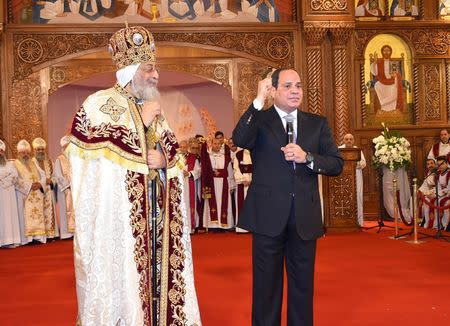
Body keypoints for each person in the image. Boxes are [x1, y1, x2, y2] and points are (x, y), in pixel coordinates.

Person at [65, 25, 201, 325]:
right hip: (122, 225)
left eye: (156, 69)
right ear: (129, 69)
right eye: (149, 69)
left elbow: (177, 159)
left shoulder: (154, 107)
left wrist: (164, 160)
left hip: (158, 221)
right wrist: (138, 125)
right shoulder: (98, 105)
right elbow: (86, 158)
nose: (156, 76)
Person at [232, 68, 343, 326]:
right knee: (266, 289)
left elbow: (336, 164)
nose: (295, 91)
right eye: (288, 86)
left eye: (299, 86)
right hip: (267, 216)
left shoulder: (317, 124)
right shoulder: (260, 119)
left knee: (302, 288)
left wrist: (309, 158)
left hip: (304, 217)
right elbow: (239, 138)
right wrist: (258, 101)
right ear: (273, 90)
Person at [14, 139, 48, 244]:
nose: (25, 155)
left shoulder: (33, 162)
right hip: (24, 195)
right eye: (23, 152)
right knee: (25, 216)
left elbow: (43, 174)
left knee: (37, 215)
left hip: (37, 192)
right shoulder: (15, 164)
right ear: (18, 153)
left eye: (27, 153)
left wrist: (40, 184)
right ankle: (28, 239)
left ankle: (37, 237)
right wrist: (29, 185)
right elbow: (16, 179)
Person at [201, 137, 235, 230]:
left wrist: (231, 185)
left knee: (224, 202)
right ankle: (213, 225)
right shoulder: (208, 157)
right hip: (212, 183)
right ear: (212, 144)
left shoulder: (226, 157)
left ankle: (224, 224)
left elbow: (230, 172)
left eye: (218, 144)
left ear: (221, 145)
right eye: (215, 143)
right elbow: (204, 171)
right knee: (212, 202)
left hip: (224, 183)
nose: (217, 145)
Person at [32, 137, 58, 239]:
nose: (40, 151)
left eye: (42, 149)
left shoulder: (50, 162)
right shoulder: (31, 163)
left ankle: (51, 234)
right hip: (38, 192)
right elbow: (31, 177)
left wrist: (52, 181)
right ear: (34, 150)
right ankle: (40, 235)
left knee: (50, 212)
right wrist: (44, 182)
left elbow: (55, 176)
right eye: (38, 149)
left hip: (49, 192)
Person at [338, 133, 366, 226]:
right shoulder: (339, 150)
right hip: (342, 178)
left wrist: (353, 165)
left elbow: (363, 163)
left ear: (353, 141)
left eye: (351, 139)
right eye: (346, 139)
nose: (349, 141)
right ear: (343, 140)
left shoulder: (357, 150)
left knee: (357, 196)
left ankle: (358, 221)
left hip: (356, 176)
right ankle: (343, 221)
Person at [370, 44, 404, 112]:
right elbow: (374, 73)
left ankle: (386, 105)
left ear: (390, 52)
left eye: (388, 51)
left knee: (394, 89)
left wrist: (396, 75)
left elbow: (398, 74)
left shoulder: (393, 62)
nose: (386, 52)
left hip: (392, 82)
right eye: (384, 51)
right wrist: (375, 62)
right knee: (377, 85)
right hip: (382, 81)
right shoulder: (379, 62)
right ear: (382, 52)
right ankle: (384, 107)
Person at [0, 139, 22, 247]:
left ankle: (10, 240)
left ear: (3, 152)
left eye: (1, 151)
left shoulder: (10, 164)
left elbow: (15, 176)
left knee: (9, 216)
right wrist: (4, 177)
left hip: (9, 195)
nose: (0, 152)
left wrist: (4, 182)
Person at [53, 136, 74, 239]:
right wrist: (67, 186)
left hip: (75, 189)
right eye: (66, 147)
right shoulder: (59, 159)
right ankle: (66, 233)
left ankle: (75, 232)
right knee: (65, 210)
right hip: (64, 190)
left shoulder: (75, 158)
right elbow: (57, 175)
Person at [233, 144, 252, 233]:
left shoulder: (256, 153)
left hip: (253, 183)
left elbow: (259, 168)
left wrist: (252, 180)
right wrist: (243, 180)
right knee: (241, 204)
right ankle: (242, 228)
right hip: (242, 183)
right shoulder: (238, 154)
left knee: (252, 205)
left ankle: (252, 227)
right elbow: (236, 169)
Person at [418, 158, 436, 229]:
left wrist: (426, 193)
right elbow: (424, 185)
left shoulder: (437, 173)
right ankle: (421, 220)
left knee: (426, 199)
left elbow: (435, 186)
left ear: (435, 164)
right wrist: (419, 191)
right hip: (428, 192)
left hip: (435, 193)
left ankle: (428, 222)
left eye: (432, 163)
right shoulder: (429, 173)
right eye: (428, 164)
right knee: (413, 199)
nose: (430, 165)